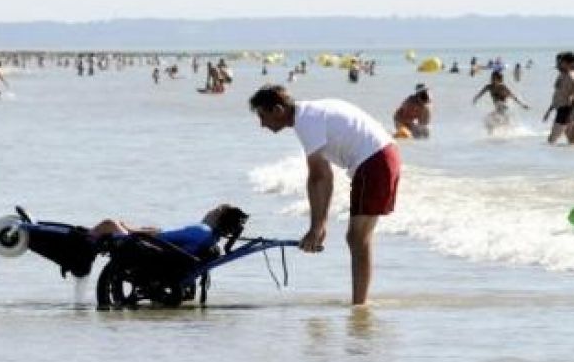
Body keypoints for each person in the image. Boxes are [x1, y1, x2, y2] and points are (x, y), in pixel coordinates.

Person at [249, 85, 401, 306]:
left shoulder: (306, 121)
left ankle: (359, 305)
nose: (262, 124)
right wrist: (320, 225)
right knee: (359, 238)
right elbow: (325, 177)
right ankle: (359, 304)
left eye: (263, 116)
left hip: (375, 161)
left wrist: (316, 229)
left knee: (357, 238)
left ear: (278, 110)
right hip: (383, 156)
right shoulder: (310, 113)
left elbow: (318, 177)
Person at [89, 204, 248, 255]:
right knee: (140, 225)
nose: (211, 211)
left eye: (215, 211)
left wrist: (131, 231)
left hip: (148, 246)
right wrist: (232, 241)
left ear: (218, 218)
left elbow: (160, 236)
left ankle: (87, 240)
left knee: (110, 222)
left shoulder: (202, 230)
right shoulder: (212, 238)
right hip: (165, 247)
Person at [543, 52, 574, 144]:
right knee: (571, 140)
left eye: (559, 62)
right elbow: (557, 95)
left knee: (551, 140)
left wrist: (572, 113)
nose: (557, 65)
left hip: (565, 110)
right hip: (561, 109)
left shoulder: (570, 77)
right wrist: (549, 111)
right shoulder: (561, 75)